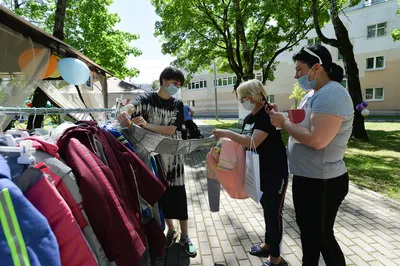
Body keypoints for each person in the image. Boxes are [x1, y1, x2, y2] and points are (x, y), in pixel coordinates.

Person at [268, 44, 354, 266]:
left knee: (323, 237)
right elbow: (302, 124)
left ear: (316, 68)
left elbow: (317, 140)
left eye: (299, 69)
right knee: (309, 235)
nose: (296, 75)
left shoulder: (333, 94)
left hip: (323, 182)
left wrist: (284, 122)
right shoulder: (313, 94)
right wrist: (280, 116)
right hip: (308, 178)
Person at [117, 66, 197, 258]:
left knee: (178, 194)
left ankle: (185, 236)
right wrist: (125, 112)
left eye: (179, 84)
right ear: (164, 80)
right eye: (173, 82)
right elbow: (132, 105)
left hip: (173, 157)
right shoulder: (148, 99)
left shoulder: (177, 104)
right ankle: (171, 230)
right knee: (162, 194)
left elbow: (171, 130)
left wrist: (146, 125)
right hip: (154, 157)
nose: (176, 87)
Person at [212, 79, 289, 266]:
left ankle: (276, 258)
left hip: (275, 173)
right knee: (267, 210)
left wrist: (227, 133)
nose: (241, 101)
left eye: (243, 97)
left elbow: (251, 142)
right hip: (258, 172)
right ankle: (268, 245)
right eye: (240, 98)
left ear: (254, 96)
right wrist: (224, 149)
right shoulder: (249, 119)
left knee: (273, 213)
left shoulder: (268, 116)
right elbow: (242, 143)